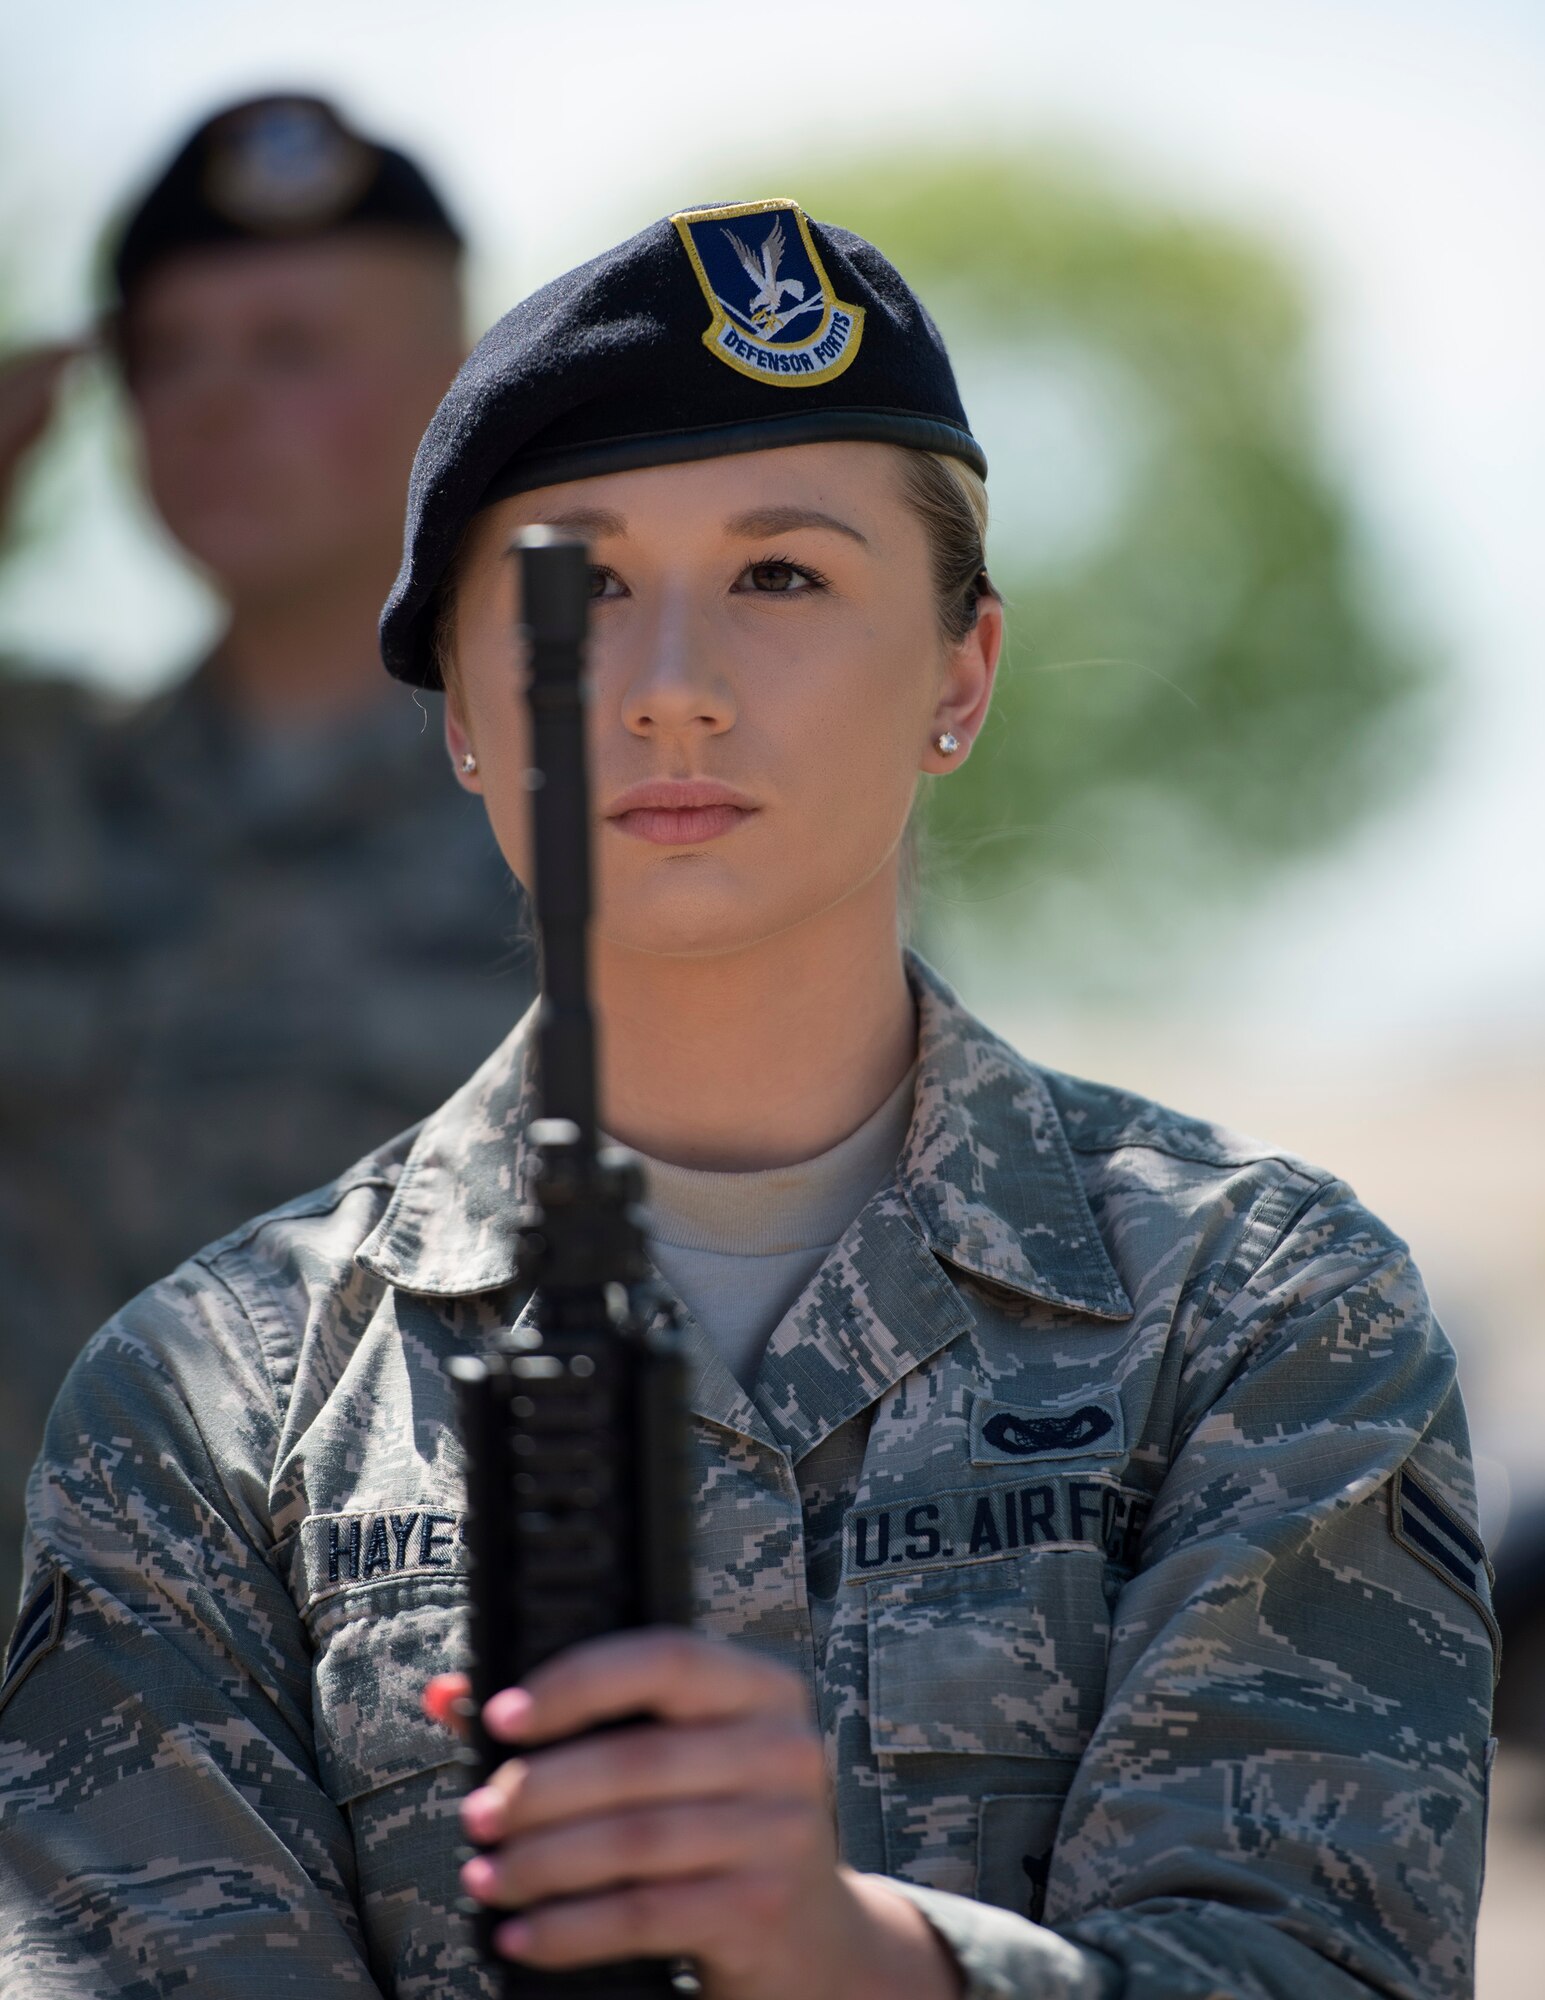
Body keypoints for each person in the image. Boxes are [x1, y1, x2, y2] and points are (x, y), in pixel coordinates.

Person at [0, 199, 1496, 2000]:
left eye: (782, 577)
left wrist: (846, 1956)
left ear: (959, 671)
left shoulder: (1257, 1307)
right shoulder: (219, 1404)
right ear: (462, 709)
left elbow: (1320, 1965)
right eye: (579, 592)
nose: (675, 691)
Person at [0, 95, 533, 1629]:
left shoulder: (614, 807)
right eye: (168, 358)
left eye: (292, 350)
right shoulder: (33, 778)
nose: (215, 404)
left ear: (460, 393)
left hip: (423, 1718)